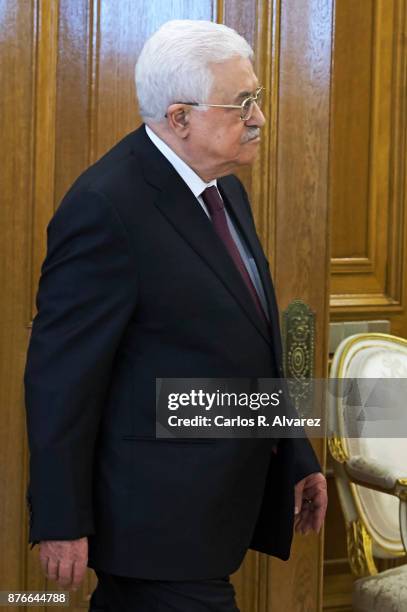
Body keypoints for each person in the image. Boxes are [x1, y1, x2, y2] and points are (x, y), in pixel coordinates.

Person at [24, 19, 327, 612]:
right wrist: (60, 518)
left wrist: (295, 451)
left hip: (217, 511)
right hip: (153, 522)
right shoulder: (105, 207)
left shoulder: (226, 189)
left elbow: (252, 337)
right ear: (180, 117)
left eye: (257, 99)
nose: (259, 117)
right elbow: (62, 378)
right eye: (242, 104)